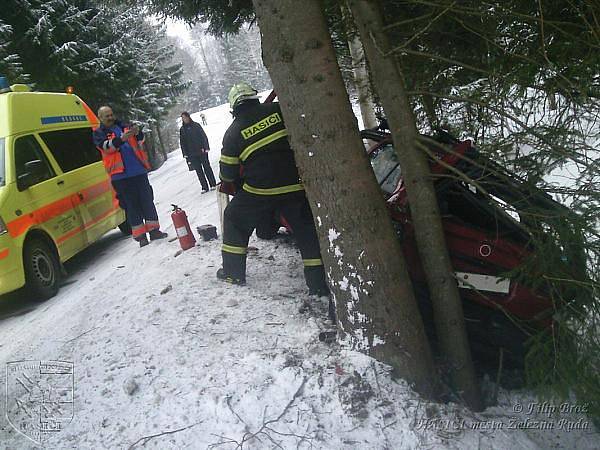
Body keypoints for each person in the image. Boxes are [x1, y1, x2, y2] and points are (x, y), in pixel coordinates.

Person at [217, 82, 329, 298]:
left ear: (234, 107)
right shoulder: (279, 110)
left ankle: (233, 273)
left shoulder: (232, 133)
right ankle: (317, 284)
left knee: (233, 217)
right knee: (307, 232)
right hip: (294, 186)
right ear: (254, 98)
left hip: (260, 191)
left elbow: (227, 176)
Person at [93, 106, 168, 247]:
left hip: (138, 171)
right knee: (131, 206)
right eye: (106, 116)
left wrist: (138, 133)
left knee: (147, 200)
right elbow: (106, 147)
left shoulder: (124, 126)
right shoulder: (99, 133)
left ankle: (154, 230)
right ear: (100, 118)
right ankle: (140, 237)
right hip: (120, 177)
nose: (110, 117)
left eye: (111, 114)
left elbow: (140, 141)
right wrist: (122, 139)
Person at [179, 111, 216, 193]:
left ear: (188, 117)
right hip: (192, 154)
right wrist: (185, 154)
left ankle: (213, 184)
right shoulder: (182, 129)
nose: (184, 119)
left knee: (207, 167)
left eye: (185, 117)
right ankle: (204, 187)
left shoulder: (196, 125)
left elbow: (203, 136)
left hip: (201, 150)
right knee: (198, 171)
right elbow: (182, 142)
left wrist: (206, 147)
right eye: (183, 118)